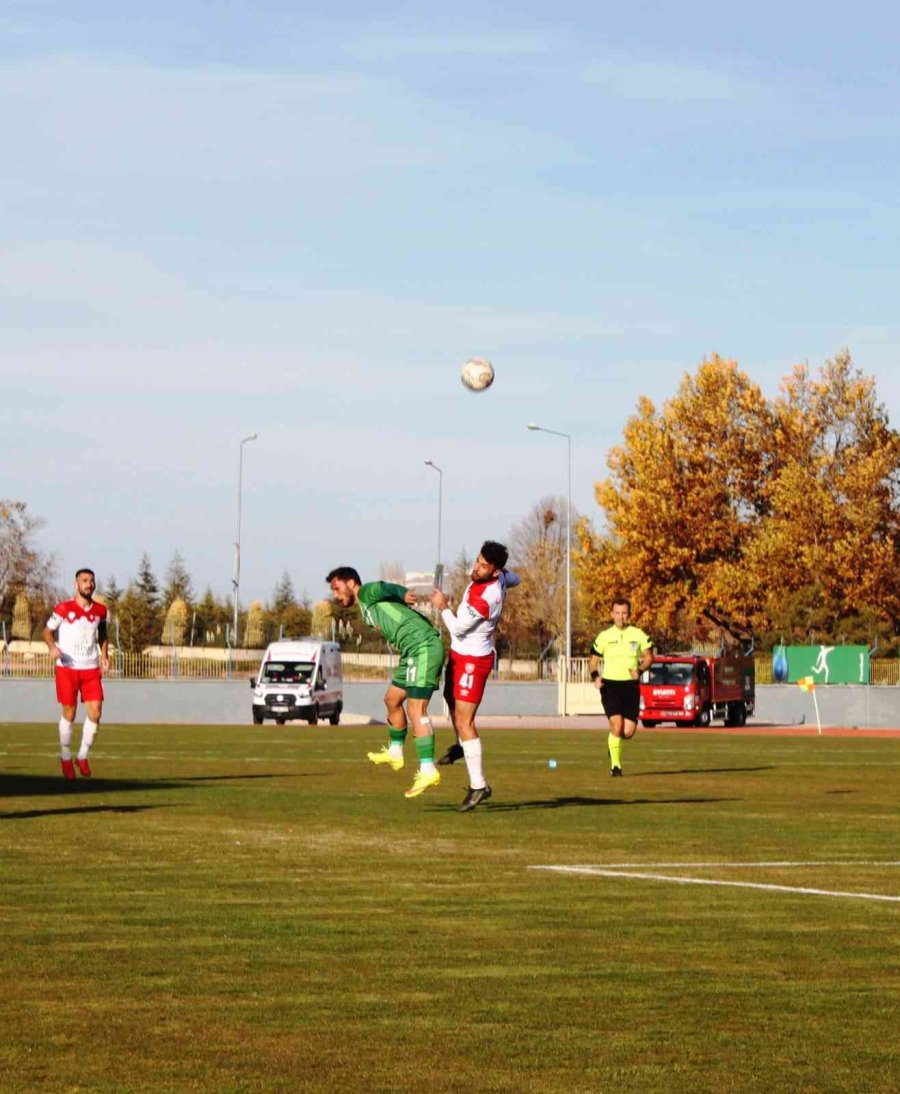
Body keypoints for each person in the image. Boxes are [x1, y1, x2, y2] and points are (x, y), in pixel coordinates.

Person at [327, 567, 446, 799]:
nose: (335, 594)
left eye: (336, 588)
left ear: (351, 583)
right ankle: (395, 751)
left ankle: (428, 769)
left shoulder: (366, 592)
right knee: (392, 699)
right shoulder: (365, 606)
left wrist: (401, 593)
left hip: (422, 646)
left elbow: (383, 587)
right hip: (410, 651)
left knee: (416, 708)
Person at [430, 541, 520, 812]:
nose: (477, 567)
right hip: (459, 655)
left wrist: (443, 606)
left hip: (473, 660)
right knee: (449, 698)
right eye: (478, 561)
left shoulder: (485, 598)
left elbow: (457, 628)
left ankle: (478, 785)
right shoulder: (502, 576)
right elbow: (517, 577)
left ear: (494, 572)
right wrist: (508, 578)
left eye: (484, 566)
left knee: (463, 719)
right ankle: (461, 746)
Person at [43, 568, 110, 780]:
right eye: (84, 580)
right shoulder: (64, 608)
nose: (89, 584)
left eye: (91, 580)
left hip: (91, 669)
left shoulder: (100, 611)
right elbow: (47, 631)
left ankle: (82, 756)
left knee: (96, 712)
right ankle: (65, 757)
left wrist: (104, 655)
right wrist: (52, 646)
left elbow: (103, 634)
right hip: (67, 668)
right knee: (69, 714)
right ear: (76, 585)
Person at [588, 597, 653, 777]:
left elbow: (649, 657)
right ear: (612, 614)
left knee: (627, 731)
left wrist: (639, 670)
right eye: (617, 613)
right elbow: (593, 661)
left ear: (629, 614)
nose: (620, 616)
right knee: (616, 725)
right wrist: (595, 676)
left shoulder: (638, 634)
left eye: (624, 613)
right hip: (611, 686)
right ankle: (616, 766)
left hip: (631, 686)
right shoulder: (604, 636)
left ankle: (613, 745)